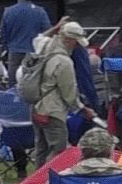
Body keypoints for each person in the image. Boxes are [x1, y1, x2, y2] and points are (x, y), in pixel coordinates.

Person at [33, 23, 93, 163]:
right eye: (76, 42)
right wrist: (82, 108)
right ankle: (50, 182)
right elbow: (69, 93)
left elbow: (38, 38)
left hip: (37, 106)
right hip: (53, 111)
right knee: (58, 151)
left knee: (42, 150)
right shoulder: (64, 61)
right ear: (67, 39)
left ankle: (35, 183)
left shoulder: (45, 48)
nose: (76, 46)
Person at [0, 0, 49, 86]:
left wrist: (6, 47)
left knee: (13, 82)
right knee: (32, 81)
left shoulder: (9, 11)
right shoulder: (40, 11)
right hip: (34, 52)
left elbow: (3, 32)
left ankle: (14, 99)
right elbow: (47, 30)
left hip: (15, 51)